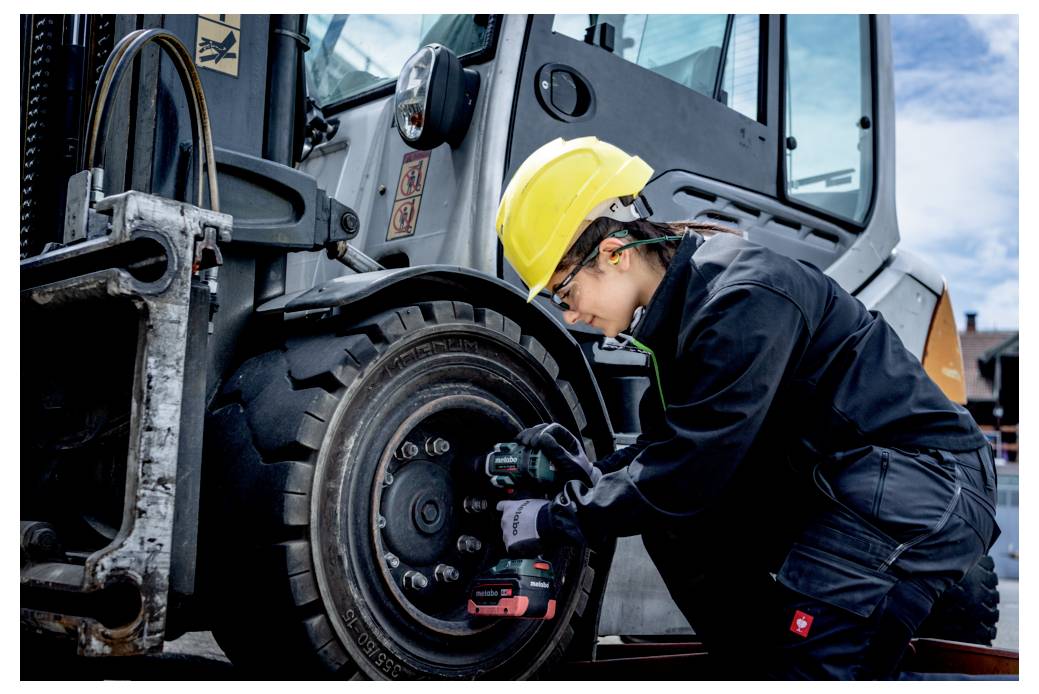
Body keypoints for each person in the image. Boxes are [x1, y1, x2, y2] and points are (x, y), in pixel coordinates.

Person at [493, 136, 999, 679]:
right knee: (676, 533)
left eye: (565, 292)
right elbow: (667, 455)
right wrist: (589, 473)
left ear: (614, 253)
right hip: (842, 483)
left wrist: (560, 518)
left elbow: (687, 472)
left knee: (813, 663)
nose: (569, 316)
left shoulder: (738, 297)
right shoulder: (679, 320)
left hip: (920, 481)